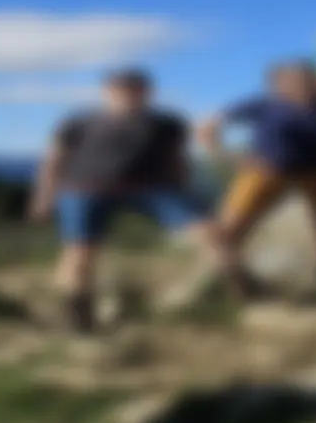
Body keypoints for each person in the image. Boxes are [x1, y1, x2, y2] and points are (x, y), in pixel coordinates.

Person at [29, 68, 235, 333]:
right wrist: (44, 197)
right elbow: (53, 161)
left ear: (148, 93)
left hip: (151, 188)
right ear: (106, 92)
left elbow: (177, 160)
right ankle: (78, 316)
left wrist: (186, 193)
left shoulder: (167, 123)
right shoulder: (77, 123)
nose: (128, 95)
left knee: (211, 233)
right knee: (80, 254)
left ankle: (240, 289)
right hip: (85, 189)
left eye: (136, 90)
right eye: (120, 90)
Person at [200, 60, 316, 301]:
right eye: (296, 80)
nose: (305, 84)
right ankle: (236, 281)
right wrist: (231, 157)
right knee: (229, 229)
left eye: (309, 78)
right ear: (277, 85)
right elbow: (207, 128)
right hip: (268, 173)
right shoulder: (262, 105)